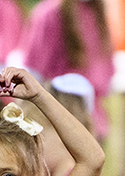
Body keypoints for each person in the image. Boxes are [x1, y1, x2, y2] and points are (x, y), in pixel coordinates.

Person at [20, 0, 114, 141]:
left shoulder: (93, 12)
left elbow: (32, 74)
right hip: (70, 121)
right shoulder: (53, 13)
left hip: (62, 123)